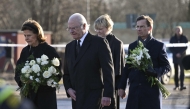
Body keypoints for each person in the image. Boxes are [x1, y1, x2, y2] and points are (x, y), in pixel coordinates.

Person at [118, 15, 171, 109]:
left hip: (151, 92)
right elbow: (127, 68)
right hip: (134, 92)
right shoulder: (132, 46)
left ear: (150, 28)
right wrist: (122, 87)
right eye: (137, 26)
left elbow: (166, 67)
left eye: (142, 26)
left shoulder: (159, 46)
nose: (138, 29)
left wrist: (155, 72)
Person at [63, 13, 114, 109]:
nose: (71, 31)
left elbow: (108, 71)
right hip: (76, 97)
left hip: (93, 96)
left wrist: (107, 94)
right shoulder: (69, 47)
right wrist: (68, 88)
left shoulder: (99, 43)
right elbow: (66, 73)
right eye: (69, 28)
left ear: (84, 26)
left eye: (74, 28)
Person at [14, 19, 62, 109]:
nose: (26, 38)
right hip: (28, 98)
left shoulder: (49, 51)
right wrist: (22, 80)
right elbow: (18, 71)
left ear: (37, 34)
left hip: (45, 99)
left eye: (29, 35)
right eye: (25, 35)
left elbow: (58, 74)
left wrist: (40, 80)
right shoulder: (25, 51)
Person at [94, 14, 125, 109]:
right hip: (95, 85)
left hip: (111, 85)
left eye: (101, 29)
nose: (98, 31)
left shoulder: (117, 43)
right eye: (97, 29)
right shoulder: (92, 41)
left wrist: (121, 87)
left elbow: (120, 66)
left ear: (109, 28)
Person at [169, 26, 188, 91]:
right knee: (176, 72)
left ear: (182, 31)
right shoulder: (172, 38)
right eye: (177, 30)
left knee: (182, 72)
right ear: (175, 31)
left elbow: (186, 46)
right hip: (175, 57)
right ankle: (176, 85)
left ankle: (182, 85)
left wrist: (180, 53)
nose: (178, 31)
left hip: (182, 58)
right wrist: (176, 53)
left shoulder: (184, 38)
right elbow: (170, 47)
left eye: (180, 30)